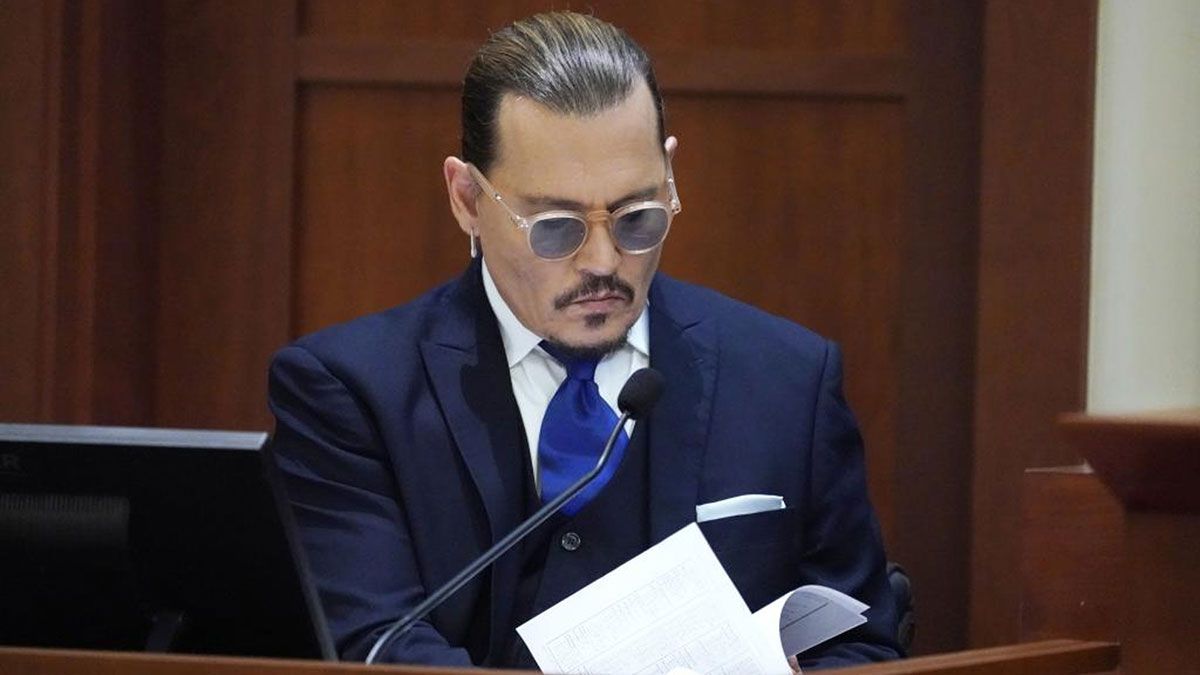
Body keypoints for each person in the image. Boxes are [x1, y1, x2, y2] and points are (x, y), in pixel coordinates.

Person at [268, 11, 902, 670]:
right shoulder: (350, 393)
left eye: (636, 217)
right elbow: (372, 644)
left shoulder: (790, 379)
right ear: (467, 199)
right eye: (556, 226)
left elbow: (858, 641)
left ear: (671, 177)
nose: (602, 261)